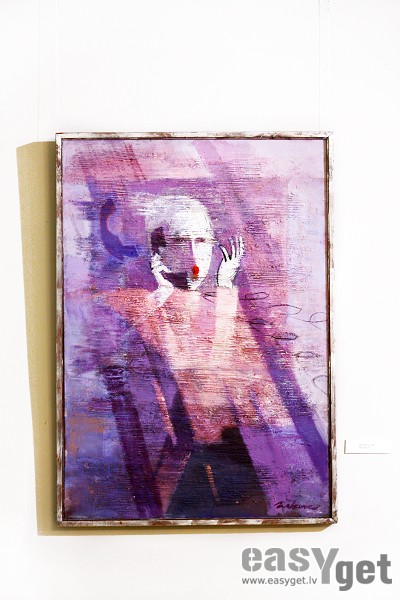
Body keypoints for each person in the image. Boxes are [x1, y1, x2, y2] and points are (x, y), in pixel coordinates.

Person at [101, 196, 297, 518]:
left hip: (225, 451)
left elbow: (229, 376)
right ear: (158, 251)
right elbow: (185, 370)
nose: (194, 255)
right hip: (176, 461)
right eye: (180, 241)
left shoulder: (222, 304)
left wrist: (224, 288)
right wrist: (164, 296)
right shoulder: (136, 305)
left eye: (202, 241)